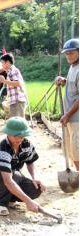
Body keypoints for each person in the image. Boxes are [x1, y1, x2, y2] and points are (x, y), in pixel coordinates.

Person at [0, 117, 46, 216]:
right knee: (15, 176)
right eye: (16, 136)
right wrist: (28, 201)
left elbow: (30, 161)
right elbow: (8, 181)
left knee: (36, 188)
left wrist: (35, 177)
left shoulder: (26, 144)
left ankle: (9, 198)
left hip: (13, 176)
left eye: (22, 136)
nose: (19, 139)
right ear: (8, 133)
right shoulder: (2, 150)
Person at [55, 38, 79, 170]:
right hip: (70, 116)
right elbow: (72, 86)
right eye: (66, 53)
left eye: (72, 52)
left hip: (76, 117)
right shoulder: (73, 67)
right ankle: (77, 175)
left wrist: (68, 115)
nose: (68, 55)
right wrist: (63, 80)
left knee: (76, 148)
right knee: (71, 148)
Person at [0, 53, 27, 118]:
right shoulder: (9, 71)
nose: (2, 65)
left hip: (17, 100)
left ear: (8, 62)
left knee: (18, 123)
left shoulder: (13, 70)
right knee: (15, 122)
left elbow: (18, 83)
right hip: (15, 101)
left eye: (2, 63)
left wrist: (4, 81)